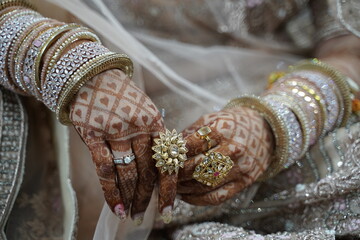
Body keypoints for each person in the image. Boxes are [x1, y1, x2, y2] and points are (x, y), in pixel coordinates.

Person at [1, 0, 360, 239]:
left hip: (267, 105)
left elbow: (349, 52)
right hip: (45, 125)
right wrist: (69, 66)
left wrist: (274, 124)